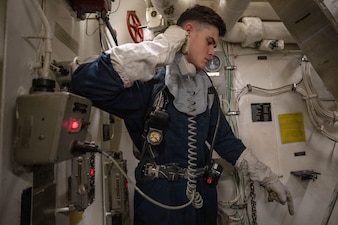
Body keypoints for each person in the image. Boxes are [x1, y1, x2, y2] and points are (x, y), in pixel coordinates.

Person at [70, 5, 294, 225]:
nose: (212, 52)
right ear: (186, 33)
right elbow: (85, 83)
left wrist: (267, 178)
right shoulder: (150, 83)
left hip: (202, 198)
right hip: (159, 200)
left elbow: (225, 141)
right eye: (209, 42)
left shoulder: (205, 90)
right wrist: (163, 47)